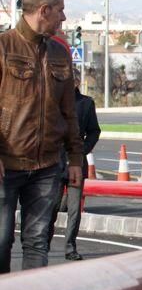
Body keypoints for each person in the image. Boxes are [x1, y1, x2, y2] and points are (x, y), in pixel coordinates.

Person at [0, 0, 83, 274]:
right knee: (1, 240)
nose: (63, 17)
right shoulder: (3, 47)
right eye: (60, 10)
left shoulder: (60, 54)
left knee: (38, 242)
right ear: (44, 10)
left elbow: (70, 112)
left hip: (47, 165)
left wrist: (75, 159)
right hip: (7, 165)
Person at [48, 67, 101, 260]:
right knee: (51, 207)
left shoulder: (86, 104)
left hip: (76, 163)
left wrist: (81, 152)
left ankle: (70, 247)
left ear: (77, 82)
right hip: (54, 162)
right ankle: (43, 244)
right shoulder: (53, 102)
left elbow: (95, 131)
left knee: (74, 209)